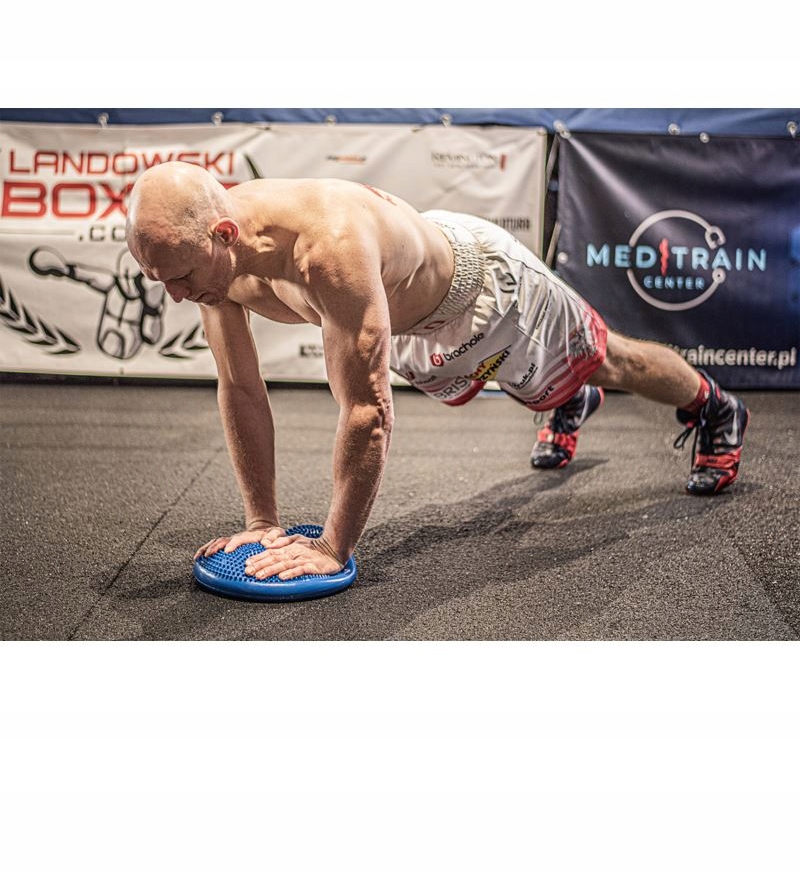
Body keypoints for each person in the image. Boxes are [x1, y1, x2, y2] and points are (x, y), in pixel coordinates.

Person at [125, 162, 749, 581]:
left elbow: (368, 412)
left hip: (486, 295)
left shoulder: (328, 248)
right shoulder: (208, 265)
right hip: (411, 327)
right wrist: (262, 523)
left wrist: (333, 547)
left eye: (180, 276)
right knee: (536, 383)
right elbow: (239, 386)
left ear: (224, 233)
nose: (175, 295)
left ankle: (715, 407)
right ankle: (562, 398)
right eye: (160, 280)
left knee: (610, 361)